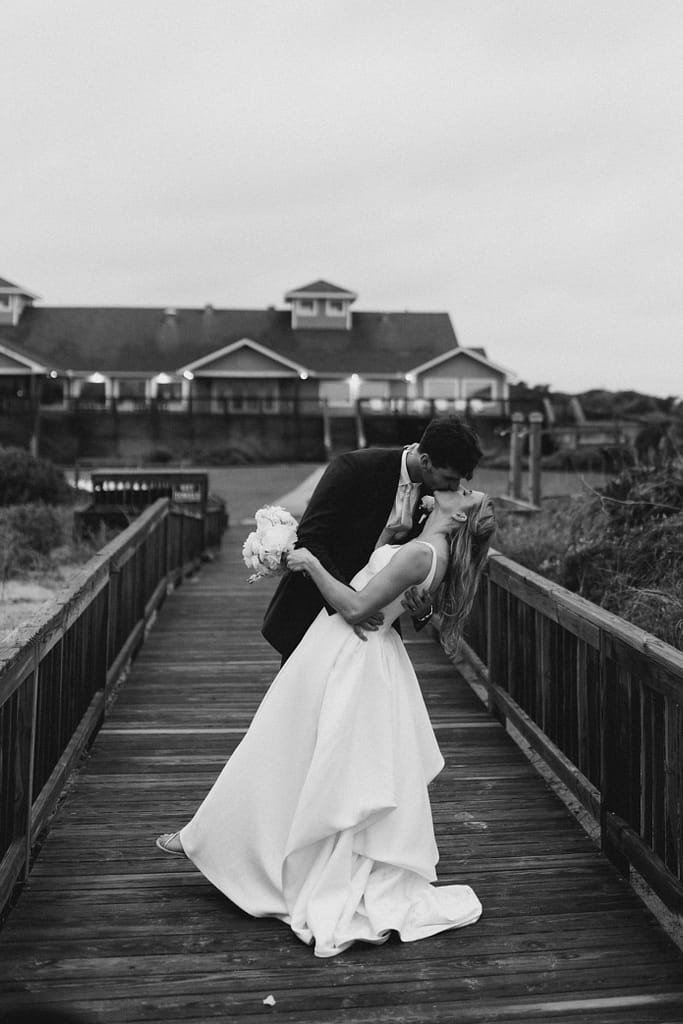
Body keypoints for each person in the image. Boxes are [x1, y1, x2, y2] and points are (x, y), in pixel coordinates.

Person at [156, 485, 496, 958]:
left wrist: (311, 563)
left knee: (286, 750)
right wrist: (389, 534)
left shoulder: (423, 553)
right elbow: (375, 583)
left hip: (350, 654)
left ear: (459, 518)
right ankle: (216, 841)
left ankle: (225, 846)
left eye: (464, 493)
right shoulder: (418, 542)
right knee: (288, 750)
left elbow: (358, 607)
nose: (457, 486)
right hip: (340, 650)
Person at [262, 415, 483, 661]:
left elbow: (430, 574)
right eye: (450, 479)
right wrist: (352, 605)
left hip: (372, 634)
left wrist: (424, 610)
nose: (453, 488)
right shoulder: (354, 468)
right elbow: (310, 539)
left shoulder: (440, 502)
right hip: (314, 612)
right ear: (425, 460)